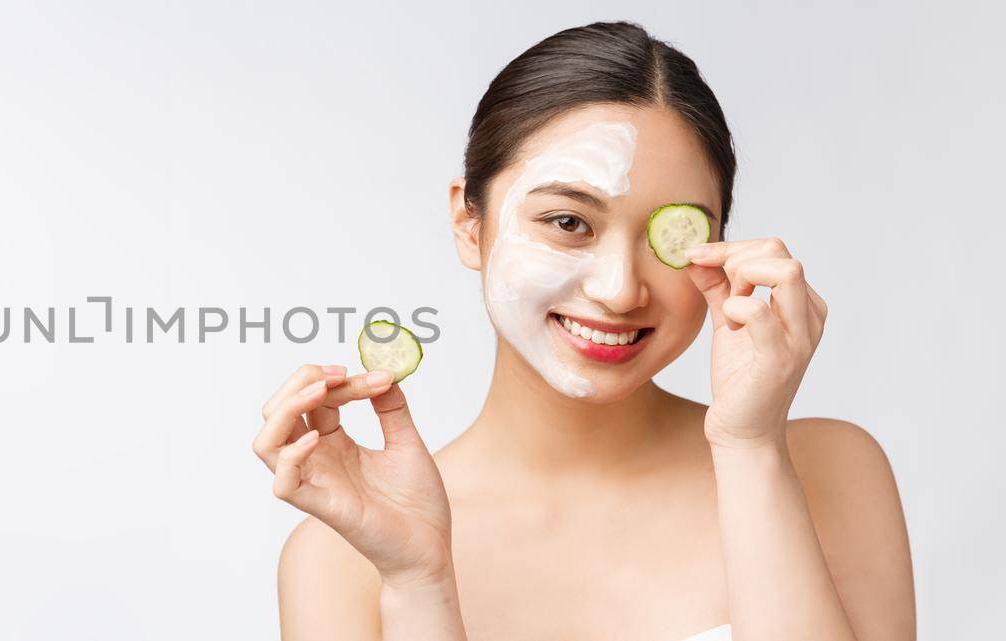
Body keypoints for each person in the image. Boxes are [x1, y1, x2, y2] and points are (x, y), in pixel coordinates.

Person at [250, 21, 914, 641]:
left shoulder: (828, 469)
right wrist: (418, 581)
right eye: (569, 223)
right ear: (468, 224)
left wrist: (750, 449)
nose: (621, 288)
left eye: (672, 235)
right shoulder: (346, 554)